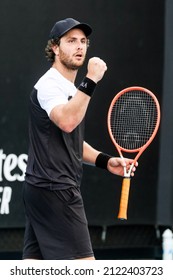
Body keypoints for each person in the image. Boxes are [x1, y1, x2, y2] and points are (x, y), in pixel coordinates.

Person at [22, 17, 137, 260]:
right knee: (85, 269)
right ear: (55, 47)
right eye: (71, 41)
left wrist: (105, 161)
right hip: (56, 189)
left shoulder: (71, 90)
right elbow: (67, 121)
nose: (79, 47)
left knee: (32, 269)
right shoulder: (49, 85)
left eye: (83, 41)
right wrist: (91, 79)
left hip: (41, 188)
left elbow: (70, 140)